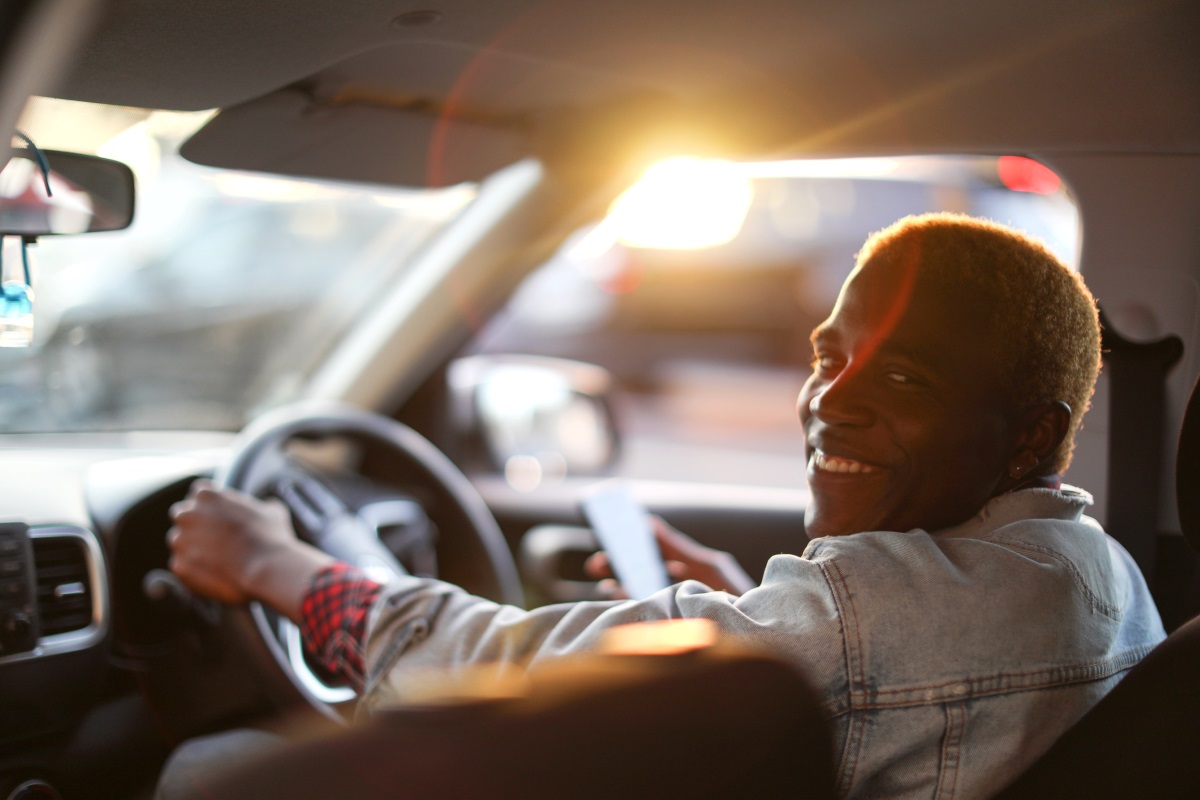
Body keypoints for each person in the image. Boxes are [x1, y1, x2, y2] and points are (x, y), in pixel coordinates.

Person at [165, 213, 1165, 798]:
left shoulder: (876, 610)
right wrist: (737, 606)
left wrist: (280, 567)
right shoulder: (1097, 568)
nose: (830, 399)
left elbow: (516, 678)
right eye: (829, 355)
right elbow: (877, 660)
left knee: (209, 769)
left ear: (1031, 435)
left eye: (902, 377)